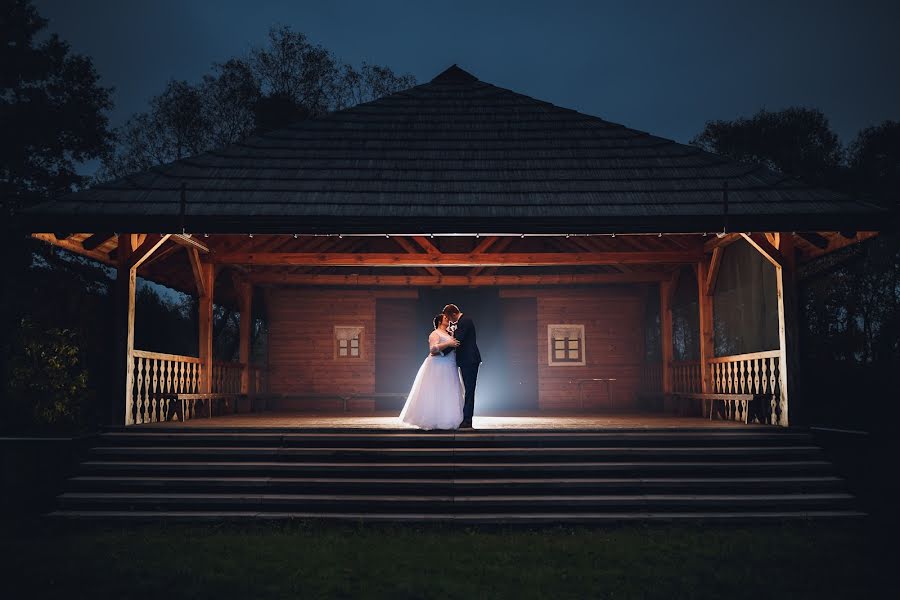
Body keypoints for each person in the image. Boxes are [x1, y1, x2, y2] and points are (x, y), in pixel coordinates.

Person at [398, 313, 464, 430]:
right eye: (445, 318)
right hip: (439, 365)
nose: (447, 319)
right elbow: (433, 349)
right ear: (439, 321)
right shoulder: (435, 333)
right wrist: (449, 343)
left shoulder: (449, 333)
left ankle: (449, 418)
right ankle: (434, 419)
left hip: (450, 365)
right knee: (436, 391)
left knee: (449, 390)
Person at [442, 303, 481, 429]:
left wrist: (441, 352)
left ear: (454, 314)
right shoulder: (463, 321)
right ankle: (466, 418)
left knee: (469, 390)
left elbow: (458, 341)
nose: (450, 321)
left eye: (450, 318)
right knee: (468, 390)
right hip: (467, 360)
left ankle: (467, 420)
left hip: (469, 360)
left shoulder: (465, 321)